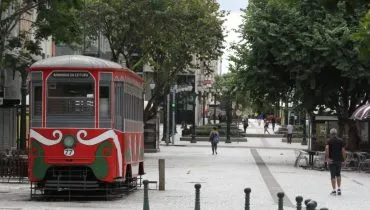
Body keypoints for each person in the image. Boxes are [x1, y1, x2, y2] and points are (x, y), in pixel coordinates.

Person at [325, 128, 346, 196]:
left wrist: (327, 158)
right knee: (338, 174)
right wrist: (344, 159)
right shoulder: (341, 141)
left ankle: (334, 191)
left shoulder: (329, 141)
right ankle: (339, 189)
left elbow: (327, 149)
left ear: (331, 134)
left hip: (332, 160)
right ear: (336, 133)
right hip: (339, 160)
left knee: (332, 175)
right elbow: (343, 151)